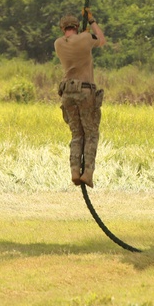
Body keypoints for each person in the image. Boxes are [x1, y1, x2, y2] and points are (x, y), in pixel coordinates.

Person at [54, 10, 106, 187]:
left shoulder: (58, 43)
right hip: (85, 90)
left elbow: (74, 42)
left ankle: (75, 170)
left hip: (67, 92)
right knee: (91, 133)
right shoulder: (85, 39)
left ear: (63, 29)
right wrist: (91, 20)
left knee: (77, 135)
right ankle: (88, 173)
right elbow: (101, 39)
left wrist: (83, 34)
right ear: (76, 26)